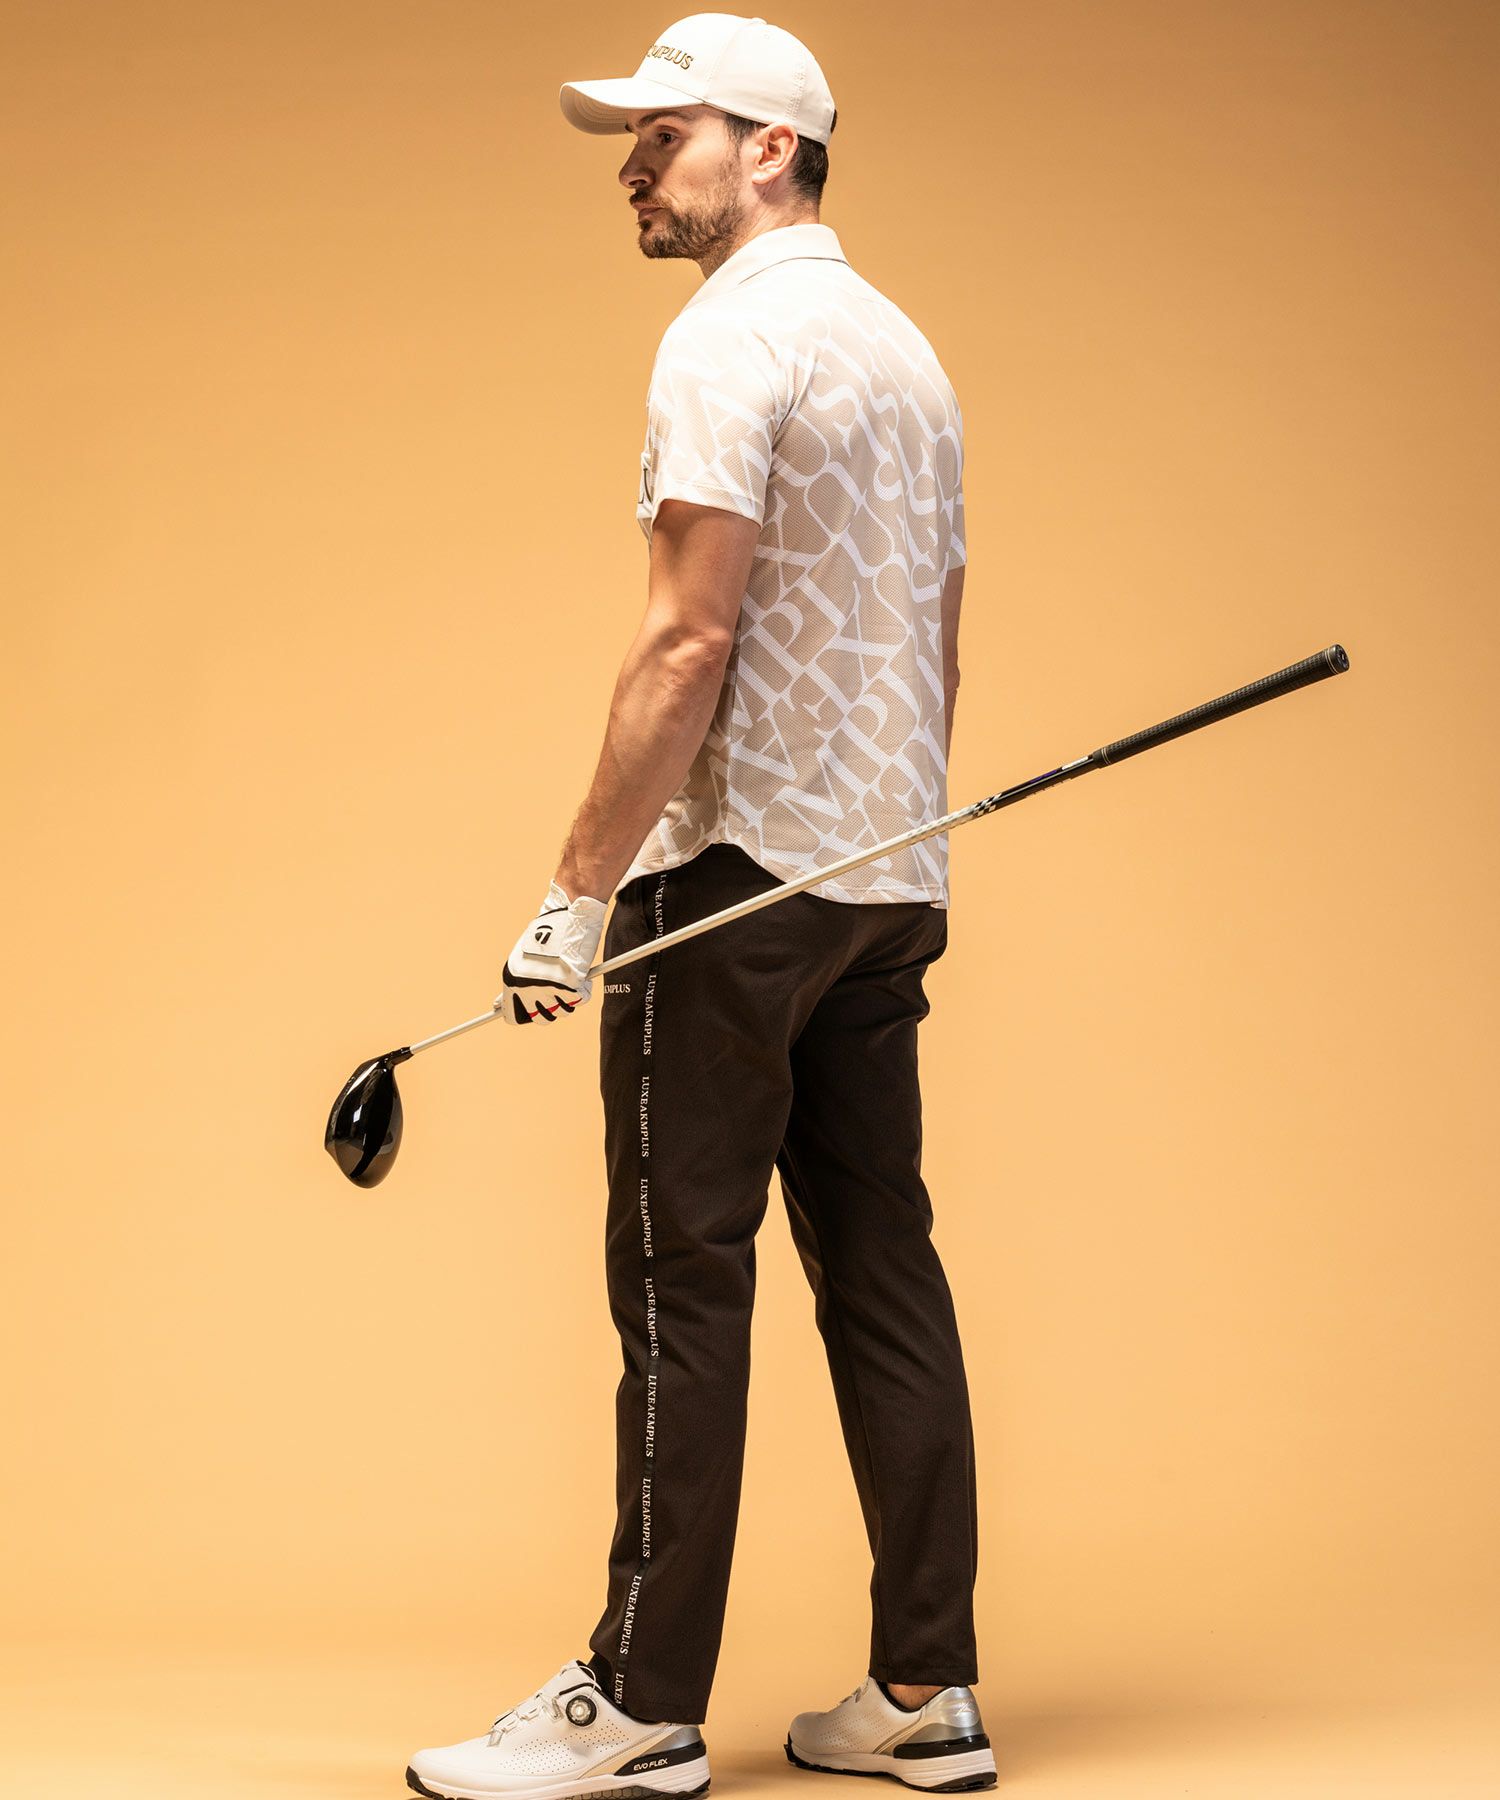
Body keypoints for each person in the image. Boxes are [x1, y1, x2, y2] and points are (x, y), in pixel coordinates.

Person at [406, 14, 994, 1799]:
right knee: (883, 1270)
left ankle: (640, 1701)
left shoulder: (727, 337)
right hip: (883, 879)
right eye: (637, 137)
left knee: (682, 1284)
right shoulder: (906, 353)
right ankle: (926, 1690)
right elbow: (938, 637)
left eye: (668, 135)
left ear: (772, 149)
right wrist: (896, 846)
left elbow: (688, 634)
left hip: (734, 889)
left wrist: (576, 895)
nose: (635, 164)